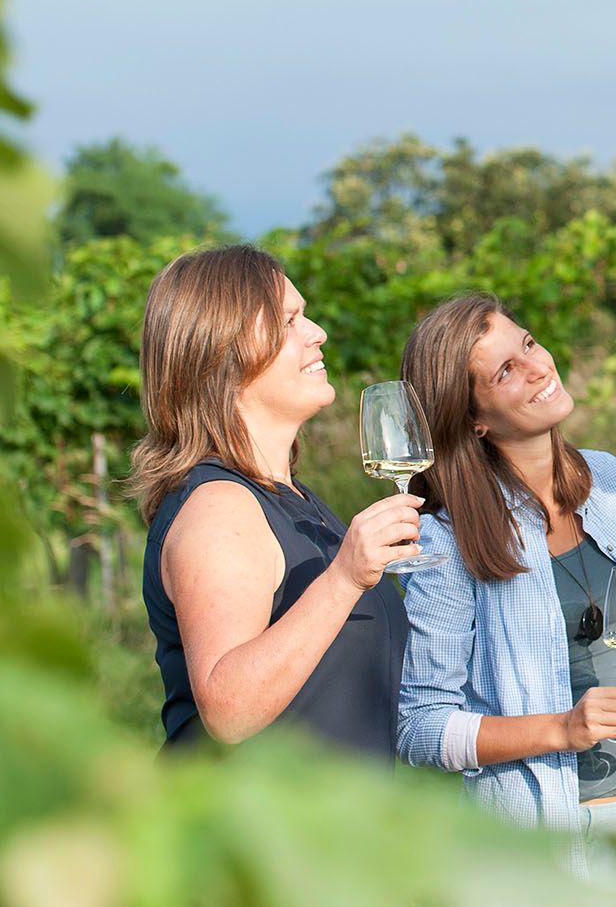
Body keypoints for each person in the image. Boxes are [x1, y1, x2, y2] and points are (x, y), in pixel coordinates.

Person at [395, 293, 616, 904]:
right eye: (504, 370)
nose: (537, 366)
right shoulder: (447, 542)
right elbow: (421, 728)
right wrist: (564, 728)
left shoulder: (607, 476)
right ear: (472, 417)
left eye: (527, 343)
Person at [133, 244, 417, 754]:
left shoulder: (290, 499)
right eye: (290, 321)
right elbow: (228, 710)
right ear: (222, 351)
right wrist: (346, 578)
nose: (317, 334)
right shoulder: (219, 508)